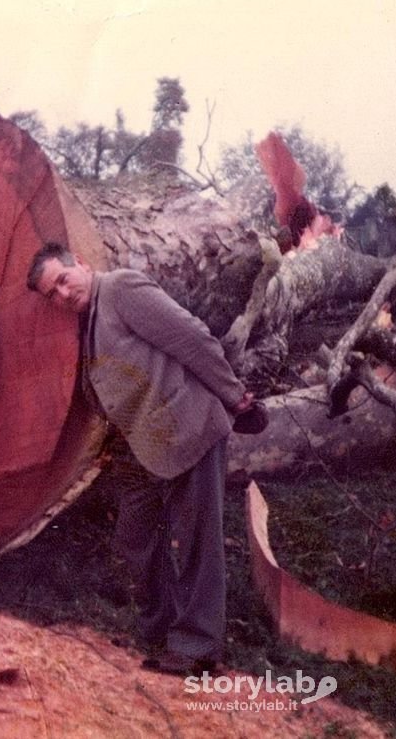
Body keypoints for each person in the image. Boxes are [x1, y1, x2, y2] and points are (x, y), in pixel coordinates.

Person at [26, 242, 255, 675]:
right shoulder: (85, 323)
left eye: (62, 279)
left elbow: (192, 338)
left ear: (82, 263)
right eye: (50, 294)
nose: (61, 295)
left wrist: (233, 395)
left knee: (196, 540)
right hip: (146, 446)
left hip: (190, 426)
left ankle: (197, 649)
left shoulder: (122, 289)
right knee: (134, 535)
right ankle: (161, 629)